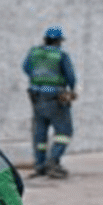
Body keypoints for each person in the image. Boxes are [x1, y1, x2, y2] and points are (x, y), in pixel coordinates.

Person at [22, 25, 78, 179]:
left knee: (40, 132)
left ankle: (40, 165)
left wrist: (38, 80)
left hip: (36, 96)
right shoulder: (60, 55)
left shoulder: (34, 52)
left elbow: (25, 68)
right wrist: (71, 89)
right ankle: (53, 162)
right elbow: (70, 76)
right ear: (58, 41)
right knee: (64, 132)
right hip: (55, 98)